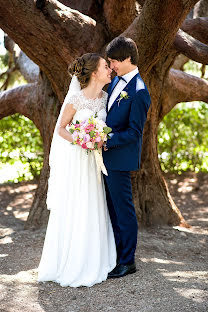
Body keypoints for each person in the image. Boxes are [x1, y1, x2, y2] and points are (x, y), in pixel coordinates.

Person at [38, 53, 116, 287]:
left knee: (94, 202)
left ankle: (95, 256)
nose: (110, 69)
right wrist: (81, 140)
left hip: (94, 161)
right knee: (77, 203)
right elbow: (61, 129)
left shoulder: (105, 98)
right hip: (77, 158)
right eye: (105, 66)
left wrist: (98, 139)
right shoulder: (76, 99)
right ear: (94, 73)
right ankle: (69, 260)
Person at [103, 36, 151, 278]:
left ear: (128, 58)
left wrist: (106, 140)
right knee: (111, 208)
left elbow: (134, 132)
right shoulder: (115, 82)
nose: (111, 66)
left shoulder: (140, 92)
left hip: (120, 158)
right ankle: (117, 255)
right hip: (105, 157)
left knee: (123, 209)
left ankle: (128, 261)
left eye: (114, 61)